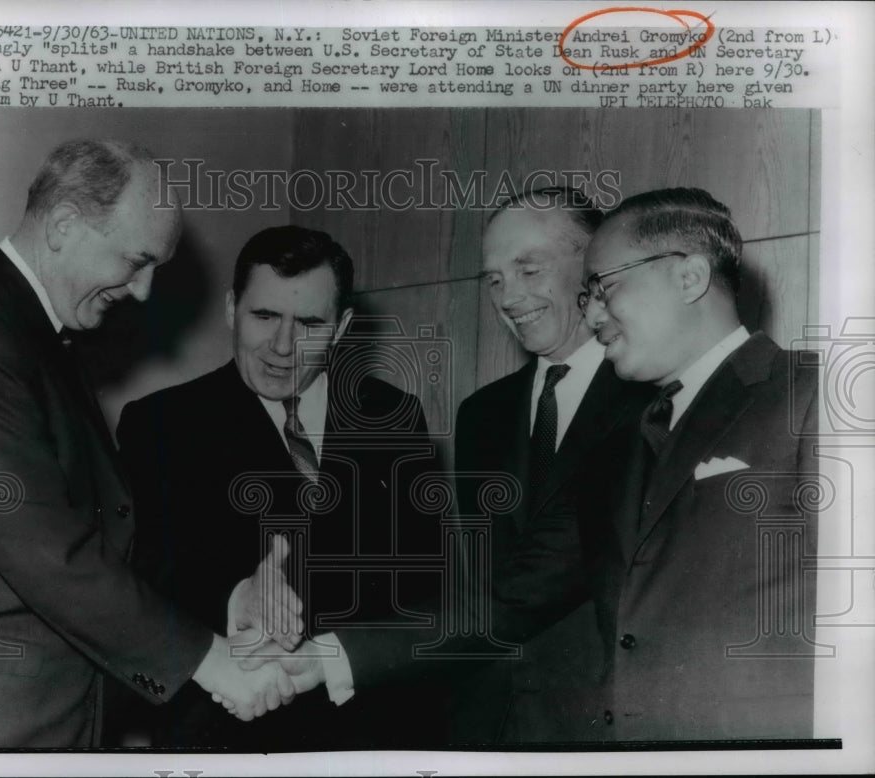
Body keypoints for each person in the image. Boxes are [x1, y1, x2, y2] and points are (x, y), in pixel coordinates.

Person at [0, 140, 293, 749]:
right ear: (64, 224)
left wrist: (229, 598)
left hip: (41, 716)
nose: (142, 292)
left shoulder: (31, 331)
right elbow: (49, 552)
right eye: (137, 261)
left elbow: (106, 529)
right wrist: (210, 661)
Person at [240, 189, 652, 745]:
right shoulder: (483, 413)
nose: (508, 297)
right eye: (494, 279)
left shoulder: (650, 401)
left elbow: (536, 579)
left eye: (529, 269)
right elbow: (472, 581)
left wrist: (338, 655)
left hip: (611, 725)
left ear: (594, 265)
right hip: (487, 722)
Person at [115, 225, 441, 750]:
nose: (283, 347)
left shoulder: (394, 416)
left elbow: (428, 579)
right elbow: (140, 572)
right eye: (264, 316)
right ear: (231, 309)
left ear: (341, 328)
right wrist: (236, 596)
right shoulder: (159, 422)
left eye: (309, 323)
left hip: (370, 733)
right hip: (226, 735)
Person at [577, 187, 818, 739]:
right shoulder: (616, 447)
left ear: (690, 277)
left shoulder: (811, 392)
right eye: (584, 296)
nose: (591, 315)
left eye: (603, 286)